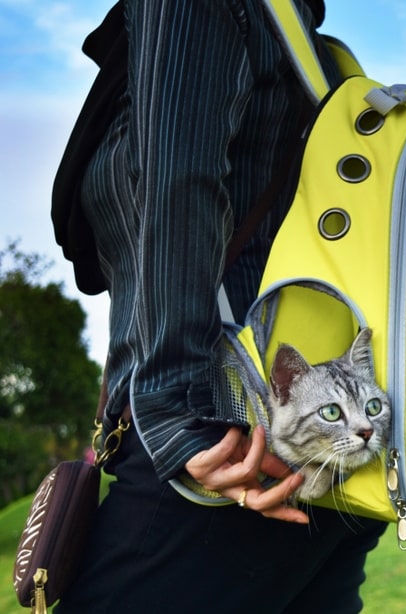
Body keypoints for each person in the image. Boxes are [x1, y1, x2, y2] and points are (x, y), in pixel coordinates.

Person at [53, 1, 387, 612]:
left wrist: (176, 417)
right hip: (322, 462)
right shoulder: (313, 56)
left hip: (225, 449)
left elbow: (179, 184)